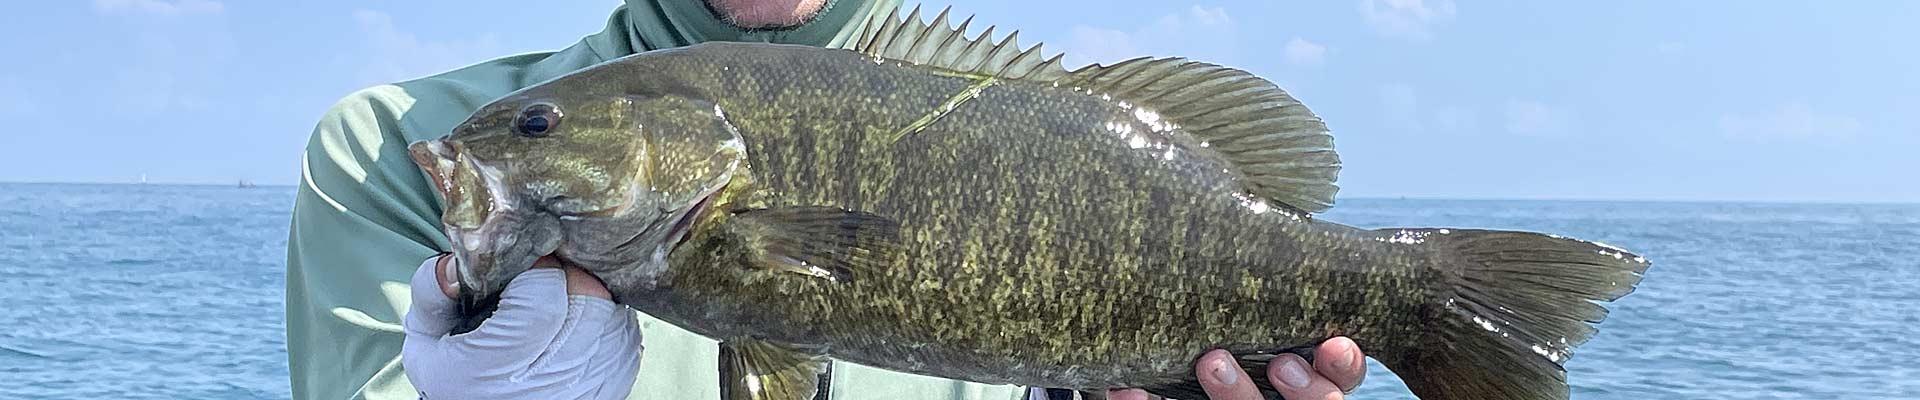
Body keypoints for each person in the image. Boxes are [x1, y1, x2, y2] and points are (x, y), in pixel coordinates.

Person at [285, 0, 1368, 399]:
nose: (524, 137)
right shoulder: (386, 153)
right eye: (539, 128)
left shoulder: (992, 109)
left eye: (538, 131)